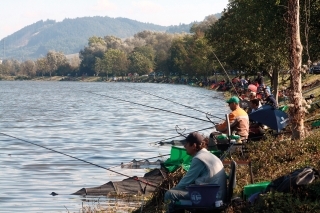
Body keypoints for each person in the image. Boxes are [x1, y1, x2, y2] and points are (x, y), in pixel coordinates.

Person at [164, 132, 227, 212]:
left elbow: (185, 182)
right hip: (217, 195)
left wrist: (174, 190)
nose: (184, 146)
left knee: (170, 194)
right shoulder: (208, 155)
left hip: (211, 198)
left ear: (194, 146)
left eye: (186, 144)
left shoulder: (198, 159)